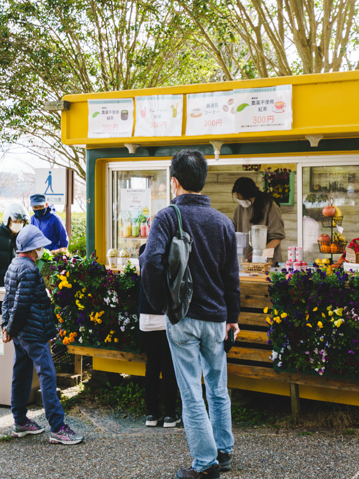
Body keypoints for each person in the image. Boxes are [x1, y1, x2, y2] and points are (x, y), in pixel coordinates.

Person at [141, 149, 240, 479]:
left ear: (174, 182)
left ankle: (205, 464)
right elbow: (231, 278)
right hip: (217, 319)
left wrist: (163, 307)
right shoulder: (224, 222)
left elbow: (150, 264)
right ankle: (224, 452)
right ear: (203, 180)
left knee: (191, 394)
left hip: (183, 318)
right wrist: (233, 317)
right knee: (217, 387)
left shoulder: (168, 217)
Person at [1, 225, 84, 444]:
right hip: (33, 333)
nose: (41, 249)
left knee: (21, 373)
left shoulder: (13, 266)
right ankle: (57, 427)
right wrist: (10, 328)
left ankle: (20, 421)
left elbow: (7, 300)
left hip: (20, 333)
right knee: (47, 375)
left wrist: (7, 327)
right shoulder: (29, 270)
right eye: (39, 246)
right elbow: (20, 304)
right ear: (32, 248)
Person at [138, 243, 180, 429]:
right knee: (169, 365)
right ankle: (170, 414)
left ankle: (151, 413)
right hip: (166, 315)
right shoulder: (175, 249)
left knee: (152, 365)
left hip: (146, 316)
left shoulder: (143, 250)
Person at [231, 177, 285, 264]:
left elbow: (277, 237)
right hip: (246, 262)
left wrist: (260, 254)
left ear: (252, 194)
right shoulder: (239, 209)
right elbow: (232, 232)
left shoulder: (270, 206)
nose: (241, 202)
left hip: (268, 262)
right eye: (238, 199)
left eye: (244, 199)